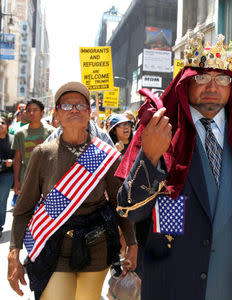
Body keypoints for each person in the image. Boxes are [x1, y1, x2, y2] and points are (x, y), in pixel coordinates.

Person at [115, 34, 232, 300]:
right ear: (185, 82)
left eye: (222, 78)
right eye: (202, 77)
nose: (212, 86)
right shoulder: (159, 129)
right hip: (174, 282)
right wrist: (149, 157)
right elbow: (130, 209)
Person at [7, 82, 137, 300]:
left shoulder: (105, 154)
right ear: (56, 113)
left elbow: (118, 204)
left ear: (90, 112)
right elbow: (23, 209)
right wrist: (14, 253)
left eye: (81, 105)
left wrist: (131, 243)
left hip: (97, 247)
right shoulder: (43, 154)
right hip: (54, 247)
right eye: (67, 106)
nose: (74, 109)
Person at [12, 99, 54, 198]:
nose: (31, 113)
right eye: (28, 110)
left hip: (48, 179)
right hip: (26, 179)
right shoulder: (19, 133)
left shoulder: (52, 132)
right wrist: (16, 181)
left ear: (42, 112)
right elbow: (17, 159)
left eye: (35, 110)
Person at [0, 116, 15, 238]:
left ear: (7, 126)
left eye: (3, 123)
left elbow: (18, 159)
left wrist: (12, 161)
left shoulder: (12, 140)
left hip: (7, 174)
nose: (0, 124)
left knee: (2, 201)